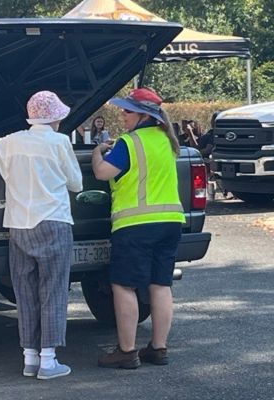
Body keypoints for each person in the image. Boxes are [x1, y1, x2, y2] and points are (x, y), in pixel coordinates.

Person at [0, 91, 83, 380]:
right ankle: (49, 360)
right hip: (53, 220)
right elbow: (75, 183)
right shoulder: (60, 142)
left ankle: (29, 357)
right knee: (52, 289)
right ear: (56, 118)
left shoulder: (10, 141)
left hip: (18, 224)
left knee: (25, 290)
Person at [92, 87, 185, 369]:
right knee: (160, 284)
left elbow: (102, 173)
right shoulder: (168, 141)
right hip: (170, 222)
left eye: (127, 110)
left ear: (143, 115)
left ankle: (127, 351)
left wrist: (98, 151)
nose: (123, 114)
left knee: (123, 285)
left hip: (135, 224)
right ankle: (158, 348)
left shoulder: (128, 143)